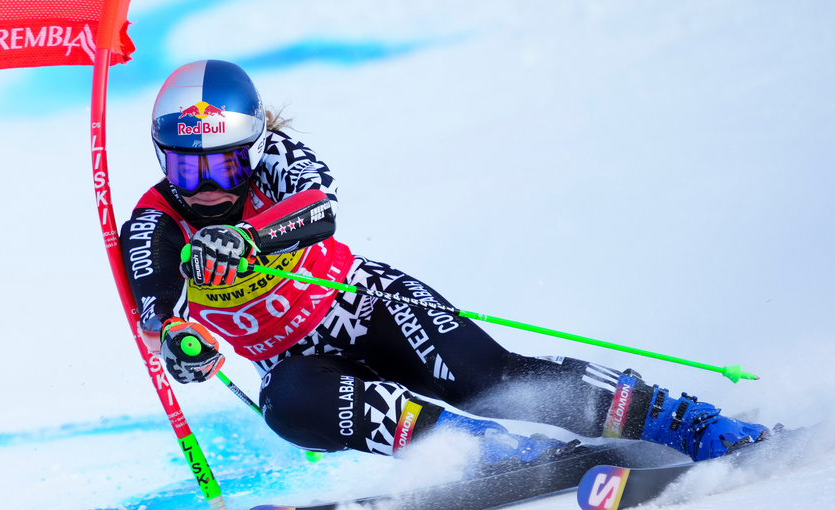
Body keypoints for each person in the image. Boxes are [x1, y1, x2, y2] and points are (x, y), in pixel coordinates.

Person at [120, 59, 769, 474]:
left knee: (488, 376)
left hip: (365, 306)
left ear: (255, 147)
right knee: (285, 405)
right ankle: (480, 450)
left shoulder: (282, 157)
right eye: (185, 165)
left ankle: (673, 417)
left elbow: (320, 211)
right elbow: (160, 311)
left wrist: (251, 239)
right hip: (297, 367)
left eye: (224, 163)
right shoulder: (155, 222)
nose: (205, 184)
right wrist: (185, 347)